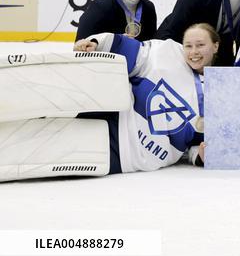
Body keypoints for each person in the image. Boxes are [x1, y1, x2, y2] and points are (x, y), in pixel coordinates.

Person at [11, 23, 217, 180]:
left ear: (215, 46)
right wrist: (96, 43)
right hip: (114, 114)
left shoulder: (219, 94)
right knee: (40, 113)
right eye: (188, 45)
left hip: (127, 154)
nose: (193, 52)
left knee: (37, 150)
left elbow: (191, 146)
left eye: (200, 45)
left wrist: (199, 157)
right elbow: (134, 51)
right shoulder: (168, 53)